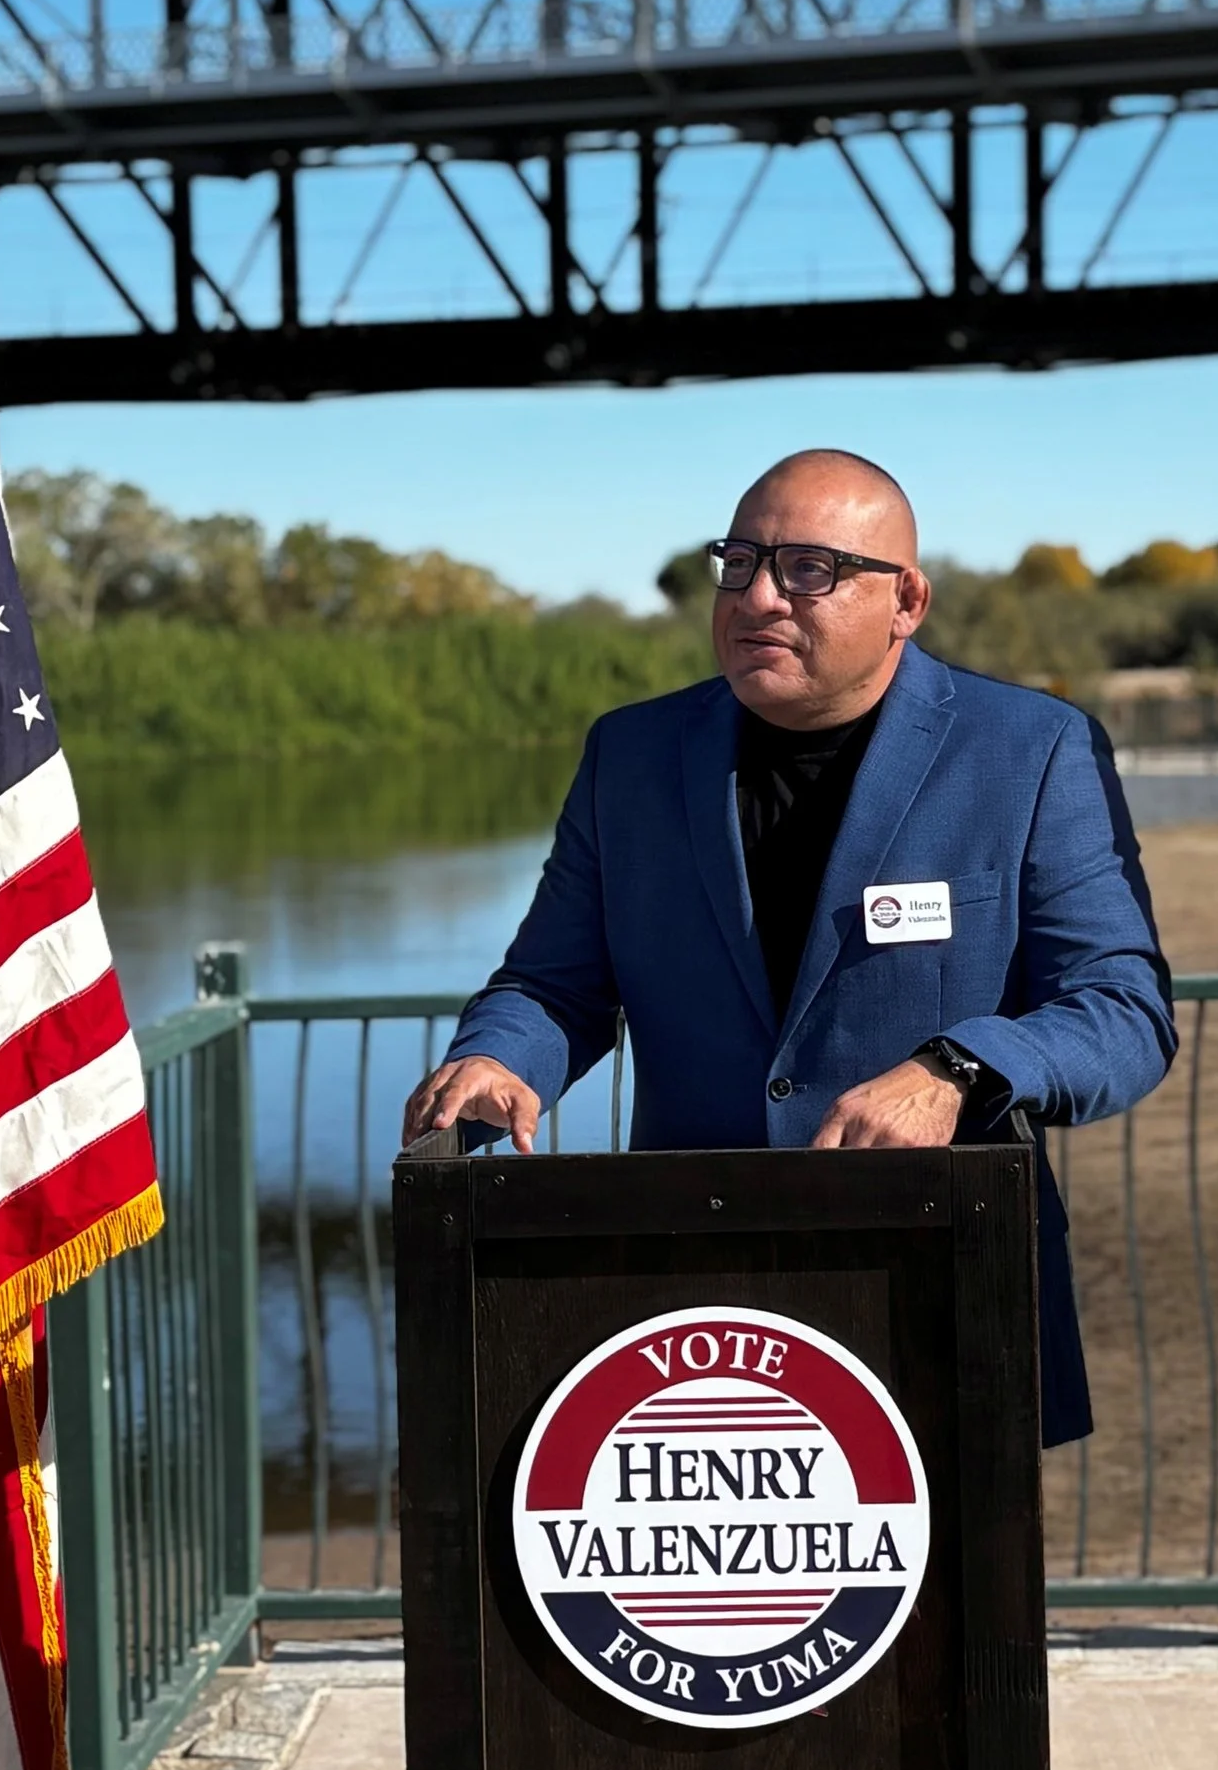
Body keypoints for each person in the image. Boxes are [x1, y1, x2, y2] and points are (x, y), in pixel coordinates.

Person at [401, 450, 1175, 1446]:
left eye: (809, 567)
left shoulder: (1029, 750)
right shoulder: (630, 756)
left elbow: (1120, 1011)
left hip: (938, 1284)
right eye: (740, 561)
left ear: (906, 601)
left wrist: (958, 1067)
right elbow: (553, 983)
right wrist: (502, 1054)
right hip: (694, 1313)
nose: (759, 596)